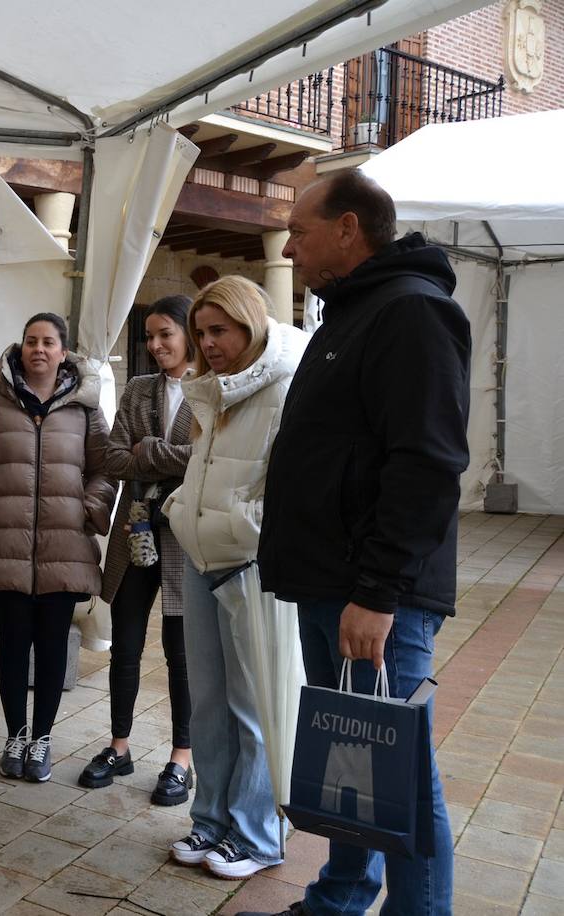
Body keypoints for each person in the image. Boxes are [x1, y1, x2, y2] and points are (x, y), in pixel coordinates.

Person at [246, 172, 468, 916]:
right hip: (331, 582)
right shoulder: (354, 312)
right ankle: (338, 899)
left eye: (299, 230)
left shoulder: (412, 313)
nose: (287, 245)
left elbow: (427, 465)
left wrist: (377, 593)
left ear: (348, 228)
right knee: (356, 757)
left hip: (373, 596)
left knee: (401, 773)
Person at [162, 276, 308, 880]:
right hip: (200, 558)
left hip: (249, 564)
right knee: (207, 705)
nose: (208, 342)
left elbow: (293, 484)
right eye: (201, 332)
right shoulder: (211, 389)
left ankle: (257, 833)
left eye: (219, 330)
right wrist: (183, 510)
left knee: (253, 705)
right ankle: (212, 821)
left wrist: (242, 528)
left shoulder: (288, 382)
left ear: (251, 325)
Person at [0, 313, 114, 784]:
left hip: (65, 545)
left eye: (48, 342)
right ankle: (14, 736)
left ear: (64, 353)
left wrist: (89, 507)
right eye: (30, 341)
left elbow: (105, 469)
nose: (38, 349)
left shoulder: (86, 409)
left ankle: (41, 738)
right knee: (11, 646)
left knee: (51, 650)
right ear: (20, 348)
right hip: (5, 541)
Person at [79, 295, 195, 805]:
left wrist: (148, 452)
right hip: (135, 531)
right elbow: (113, 457)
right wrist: (158, 460)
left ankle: (181, 759)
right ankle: (119, 746)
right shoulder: (139, 388)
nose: (154, 345)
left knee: (181, 653)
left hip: (187, 539)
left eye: (164, 334)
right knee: (124, 646)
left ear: (189, 333)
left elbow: (205, 459)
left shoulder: (212, 390)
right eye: (149, 336)